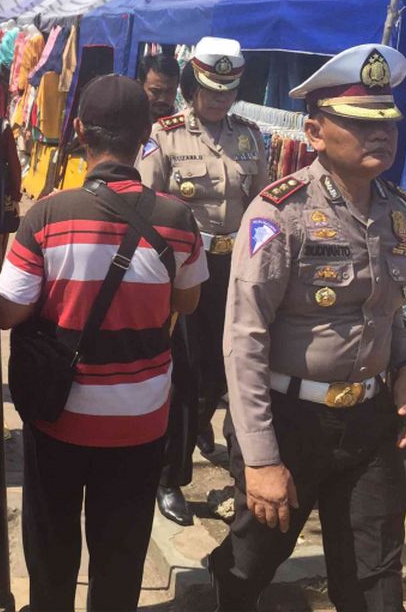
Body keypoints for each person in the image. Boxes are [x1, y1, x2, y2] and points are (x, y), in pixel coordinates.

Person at [207, 44, 406, 611]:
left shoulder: (400, 214)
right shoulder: (280, 212)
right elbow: (244, 338)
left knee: (375, 577)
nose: (379, 136)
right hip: (290, 419)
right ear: (314, 131)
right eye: (358, 123)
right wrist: (260, 459)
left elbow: (386, 308)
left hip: (369, 421)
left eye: (386, 124)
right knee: (253, 561)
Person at [0, 74, 208, 611]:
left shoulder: (47, 215)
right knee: (122, 546)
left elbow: (5, 312)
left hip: (59, 415)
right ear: (146, 135)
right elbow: (187, 304)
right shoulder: (178, 219)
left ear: (82, 133)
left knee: (51, 539)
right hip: (140, 419)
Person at [136, 37, 268, 526]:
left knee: (228, 368)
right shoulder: (164, 135)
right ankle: (170, 478)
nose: (219, 100)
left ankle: (220, 449)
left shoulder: (251, 137)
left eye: (228, 91)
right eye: (212, 90)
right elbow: (145, 205)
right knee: (184, 373)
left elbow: (261, 208)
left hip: (235, 272)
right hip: (185, 271)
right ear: (194, 85)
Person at [138, 52, 182, 119]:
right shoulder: (125, 122)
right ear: (140, 86)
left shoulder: (184, 126)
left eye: (169, 91)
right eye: (155, 91)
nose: (163, 99)